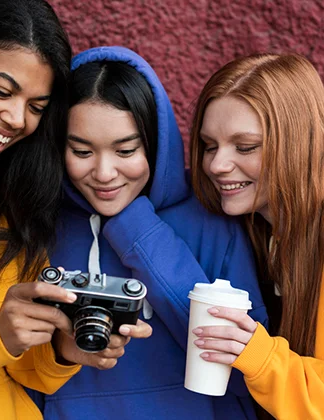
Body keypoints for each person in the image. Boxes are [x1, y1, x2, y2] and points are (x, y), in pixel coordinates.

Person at [0, 2, 147, 419]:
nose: (17, 119)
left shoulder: (2, 189)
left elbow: (15, 364)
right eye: (1, 90)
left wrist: (62, 350)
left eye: (36, 107)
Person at [28, 46, 268, 420]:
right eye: (81, 151)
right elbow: (22, 368)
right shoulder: (40, 222)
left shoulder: (212, 218)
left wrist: (137, 230)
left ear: (156, 145)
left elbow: (248, 373)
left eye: (125, 150)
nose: (105, 173)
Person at [190, 53, 324, 419]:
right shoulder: (252, 230)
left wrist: (259, 355)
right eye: (209, 145)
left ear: (300, 142)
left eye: (245, 147)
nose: (217, 165)